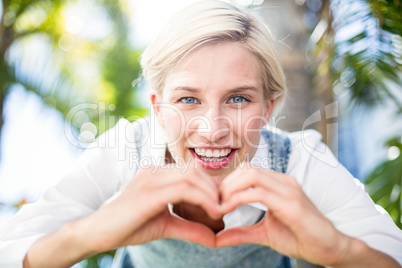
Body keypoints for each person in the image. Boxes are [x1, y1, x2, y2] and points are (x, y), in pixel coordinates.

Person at [1, 1, 401, 267]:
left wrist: (340, 249)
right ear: (158, 108)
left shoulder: (299, 160)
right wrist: (89, 233)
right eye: (188, 100)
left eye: (239, 99)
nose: (213, 130)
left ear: (270, 107)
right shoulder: (126, 149)